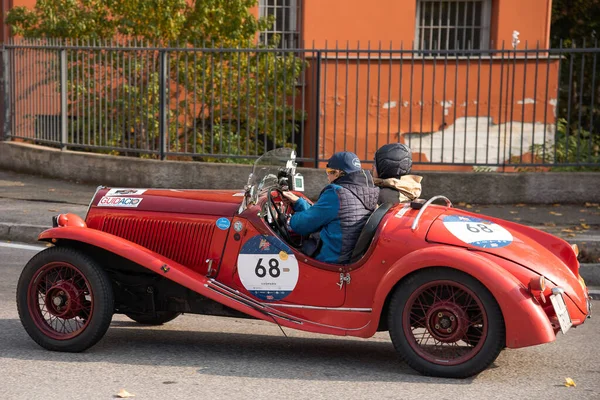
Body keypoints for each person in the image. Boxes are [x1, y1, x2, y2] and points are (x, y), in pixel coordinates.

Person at [282, 151, 379, 264]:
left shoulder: (336, 193)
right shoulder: (368, 191)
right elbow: (321, 215)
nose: (327, 176)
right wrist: (299, 202)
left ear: (337, 173)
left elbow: (301, 225)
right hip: (348, 257)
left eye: (328, 172)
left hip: (329, 259)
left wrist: (288, 220)